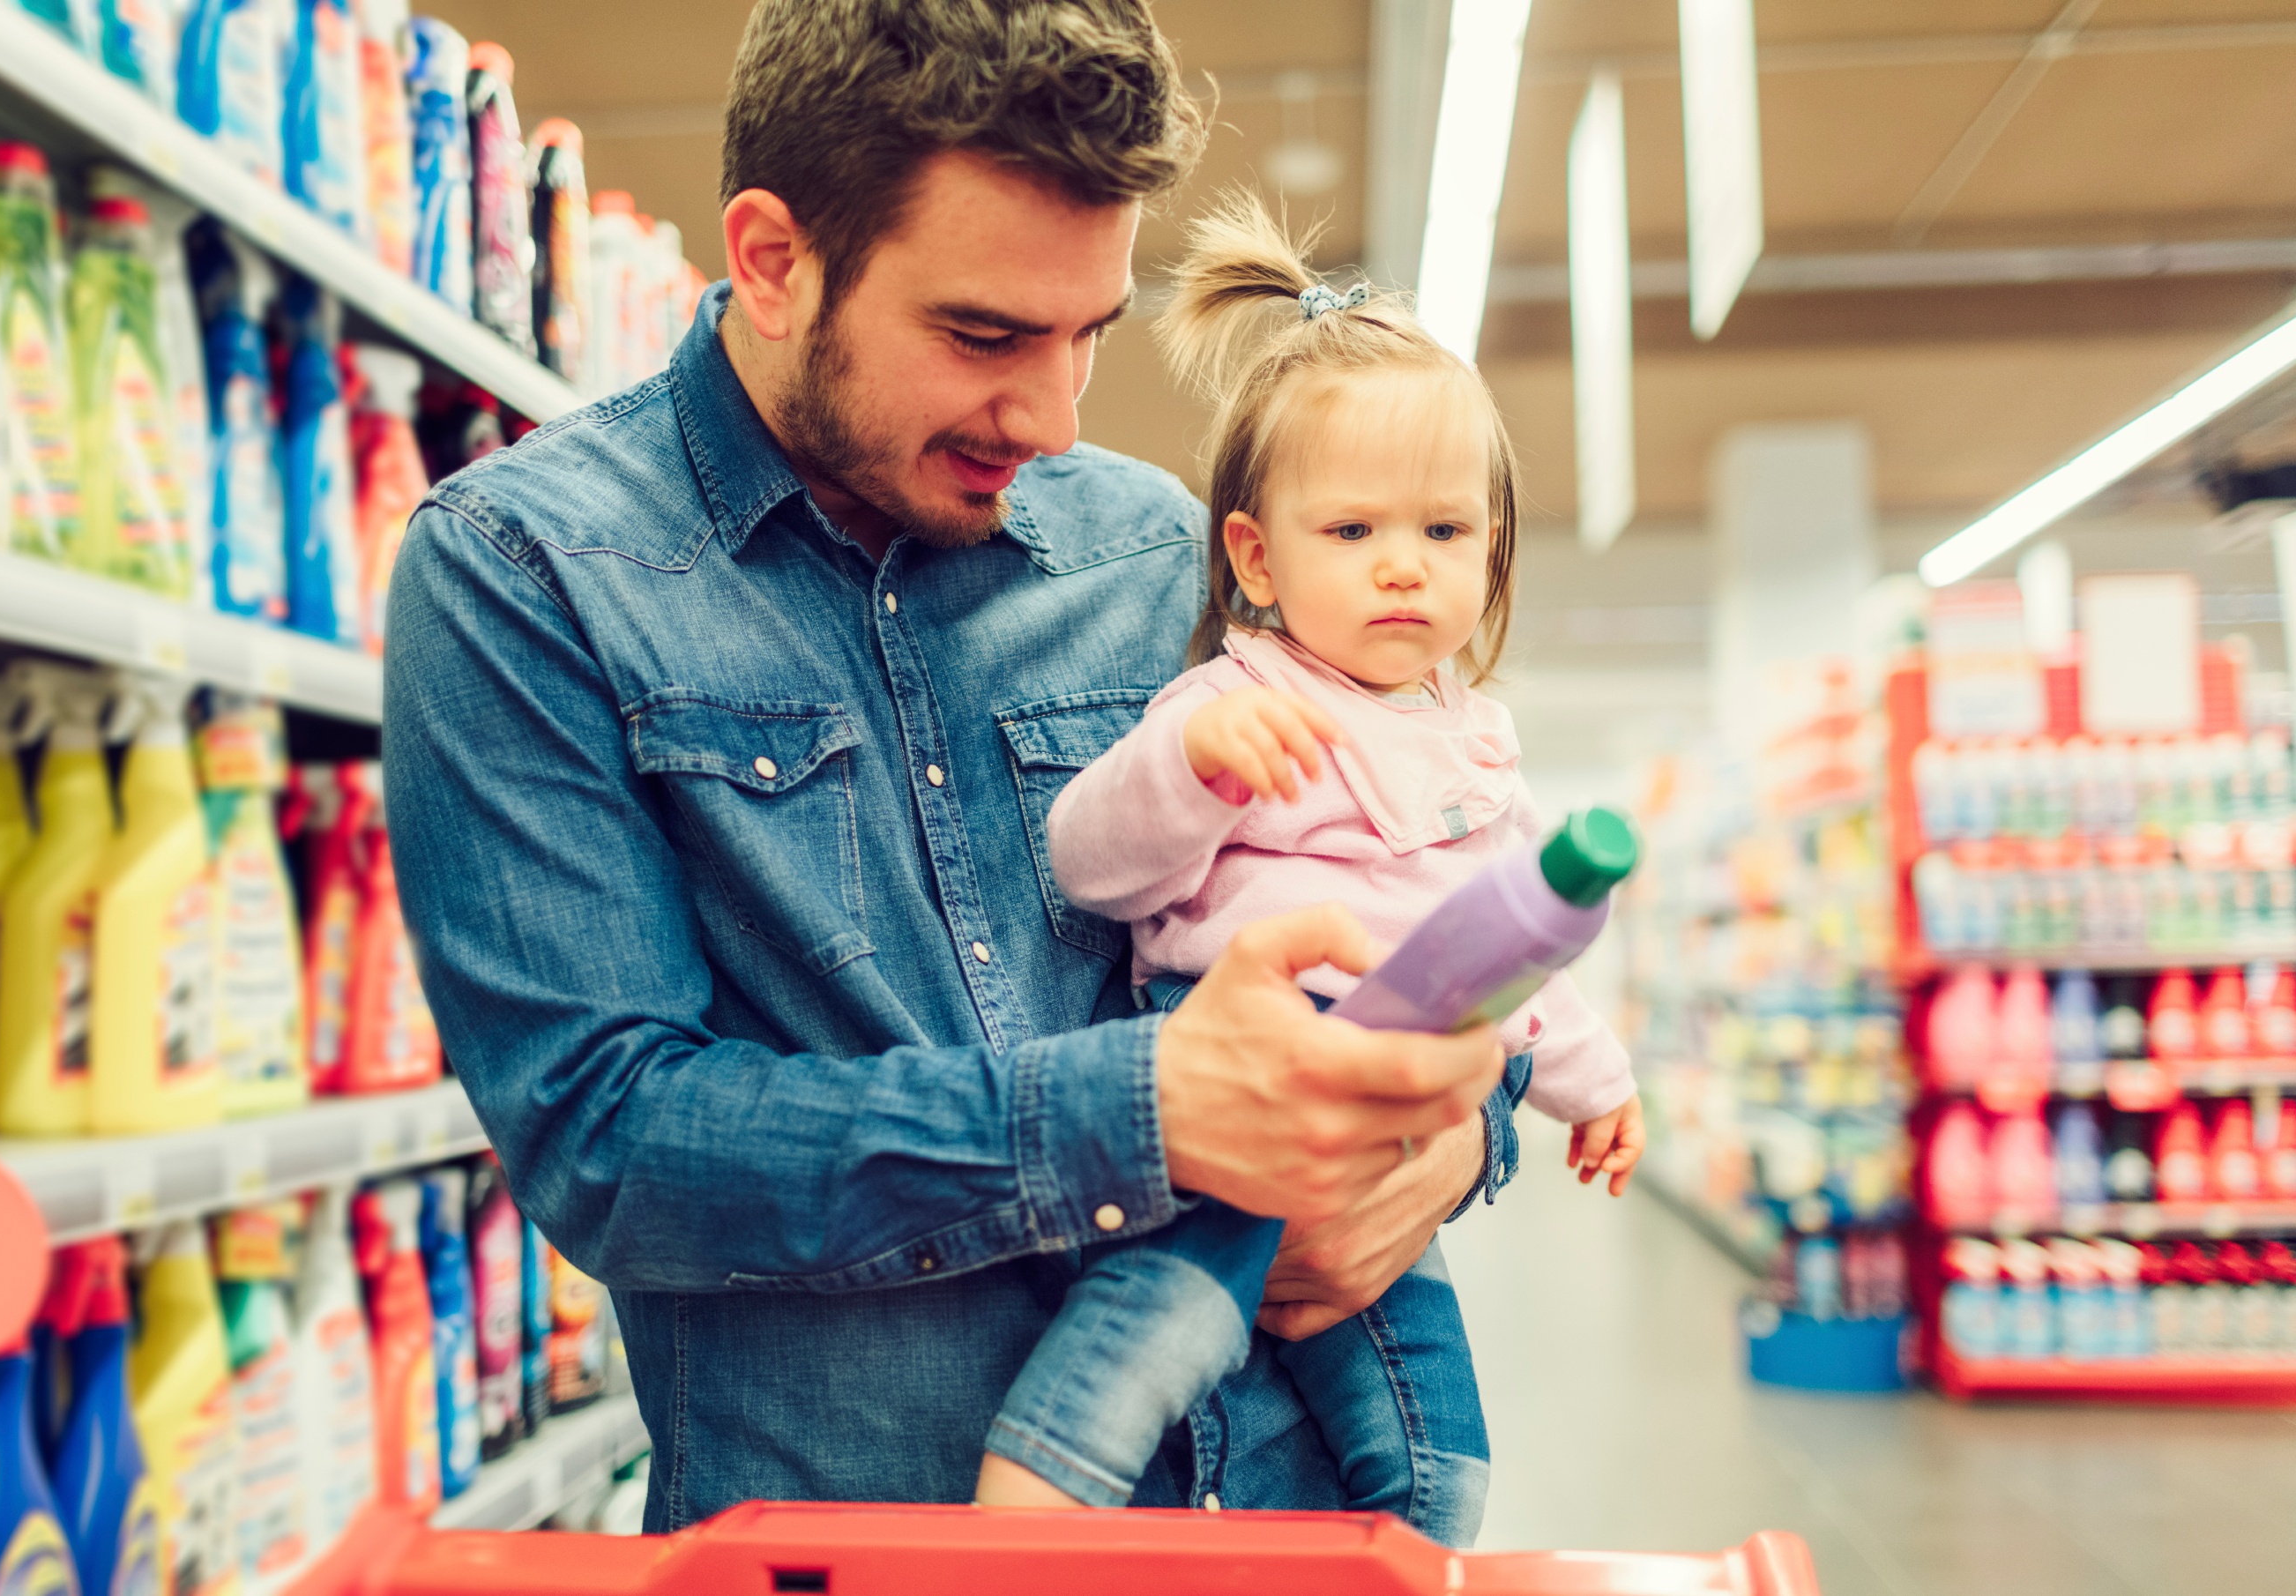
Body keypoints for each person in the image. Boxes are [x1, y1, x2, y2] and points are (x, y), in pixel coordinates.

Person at [384, 0, 1523, 1528]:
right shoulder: (525, 573)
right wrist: (1142, 1110)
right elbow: (610, 1137)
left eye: (1090, 338)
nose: (1054, 419)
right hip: (869, 1543)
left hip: (1273, 1521)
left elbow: (1422, 873)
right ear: (775, 260)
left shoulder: (1154, 549)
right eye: (986, 336)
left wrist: (1457, 1130)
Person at [969, 198, 1646, 1546]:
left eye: (1447, 534)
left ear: (1491, 552)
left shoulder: (1471, 744)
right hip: (1241, 1065)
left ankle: (1414, 1556)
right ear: (1257, 558)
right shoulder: (1235, 699)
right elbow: (1089, 862)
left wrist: (1596, 1082)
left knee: (1436, 1442)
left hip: (1401, 1100)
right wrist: (1195, 770)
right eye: (1353, 534)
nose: (1405, 566)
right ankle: (1022, 1518)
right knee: (1160, 1323)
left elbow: (1513, 942)